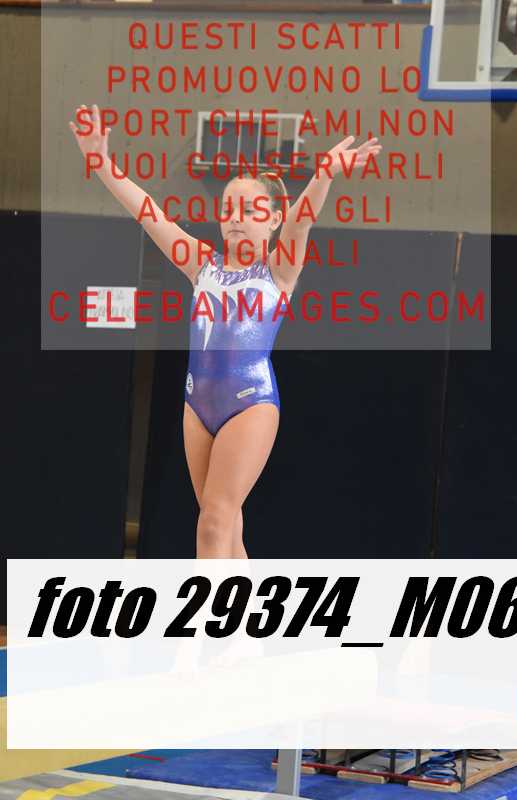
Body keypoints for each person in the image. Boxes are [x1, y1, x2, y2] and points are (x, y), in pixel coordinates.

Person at [69, 104, 382, 559]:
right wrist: (101, 162)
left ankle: (208, 608)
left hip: (250, 402)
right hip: (197, 405)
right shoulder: (202, 265)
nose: (236, 216)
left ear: (272, 219)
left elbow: (302, 219)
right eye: (229, 207)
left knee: (213, 523)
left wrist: (324, 174)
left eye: (250, 209)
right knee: (226, 529)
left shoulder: (277, 271)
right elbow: (149, 213)